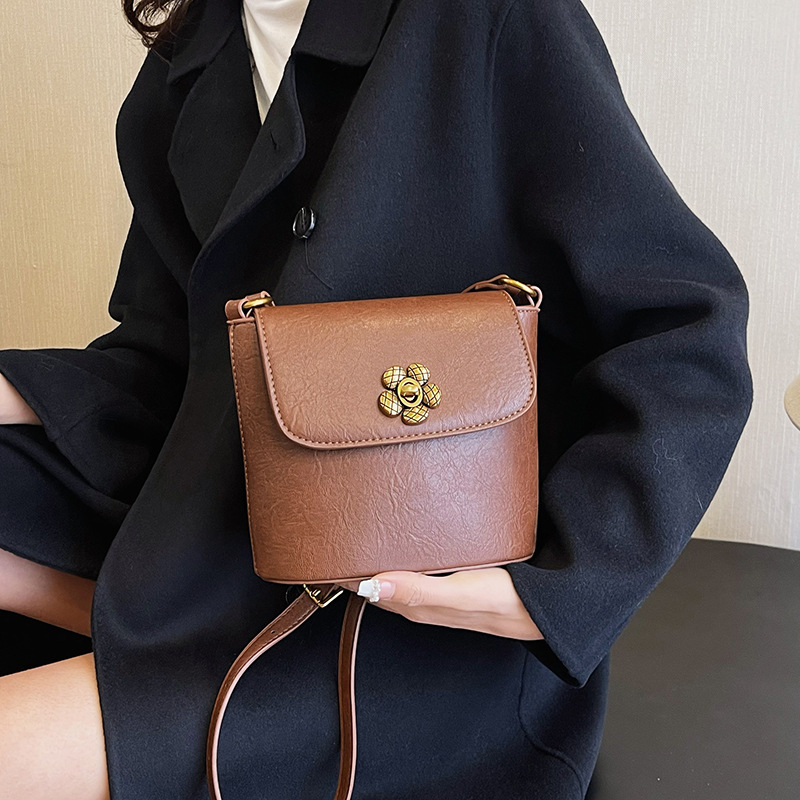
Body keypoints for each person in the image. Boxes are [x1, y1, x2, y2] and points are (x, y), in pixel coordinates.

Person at [0, 0, 753, 798]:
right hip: (222, 534)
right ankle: (143, 634)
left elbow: (685, 336)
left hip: (411, 627)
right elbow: (175, 365)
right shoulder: (188, 61)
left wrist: (553, 594)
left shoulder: (485, 18)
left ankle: (154, 660)